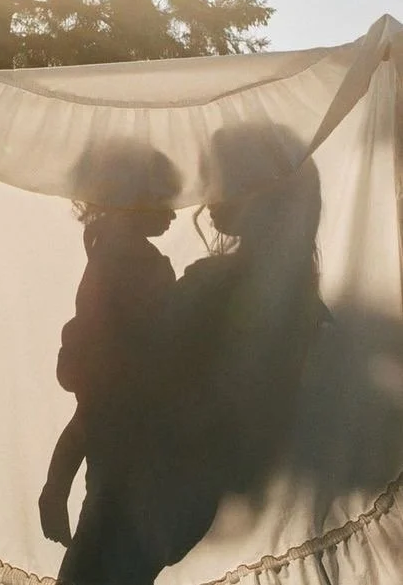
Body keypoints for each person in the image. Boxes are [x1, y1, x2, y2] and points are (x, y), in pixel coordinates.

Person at [121, 123, 330, 576]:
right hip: (198, 488)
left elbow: (143, 365)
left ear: (256, 192)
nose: (206, 196)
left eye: (218, 178)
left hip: (160, 481)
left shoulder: (215, 287)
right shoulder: (300, 297)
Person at [39, 140, 182, 585]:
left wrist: (56, 484)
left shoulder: (112, 262)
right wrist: (57, 483)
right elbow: (100, 396)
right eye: (163, 199)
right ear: (131, 198)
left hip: (125, 466)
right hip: (131, 466)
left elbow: (95, 400)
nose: (175, 214)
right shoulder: (135, 267)